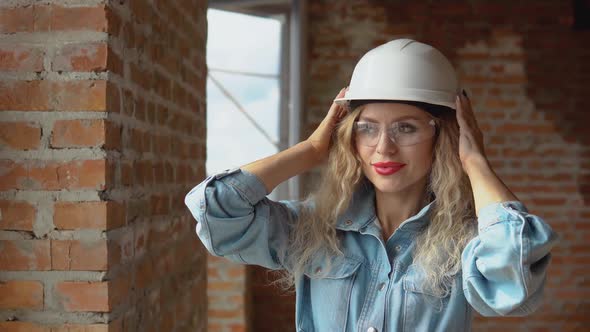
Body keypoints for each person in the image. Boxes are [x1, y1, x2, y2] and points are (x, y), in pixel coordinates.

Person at [184, 39, 558, 332]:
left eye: (406, 128)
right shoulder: (315, 228)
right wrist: (310, 149)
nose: (384, 147)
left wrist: (474, 161)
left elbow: (515, 285)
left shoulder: (468, 240)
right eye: (367, 127)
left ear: (443, 137)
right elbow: (217, 213)